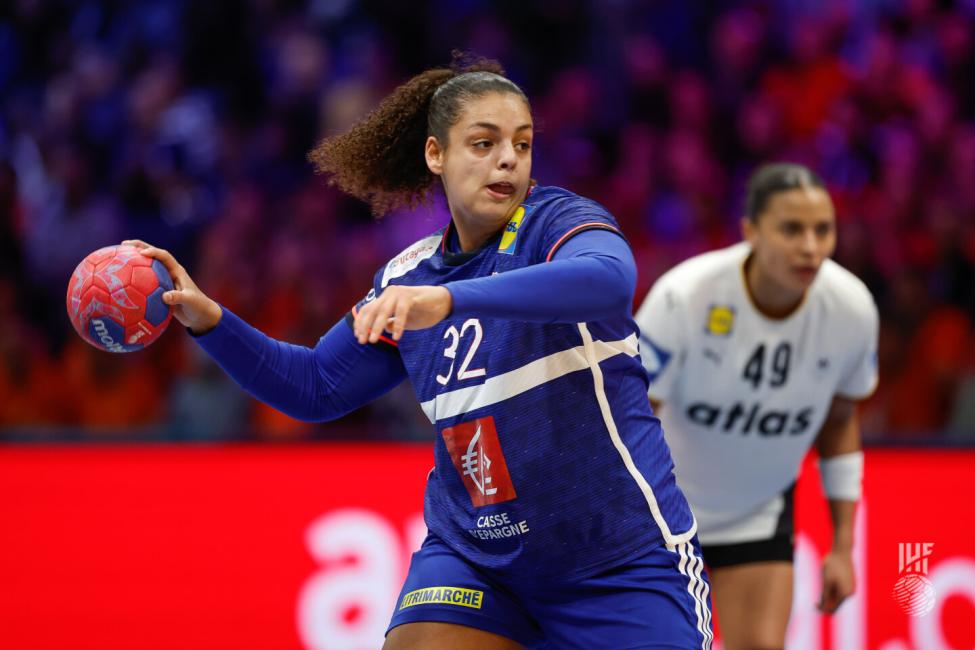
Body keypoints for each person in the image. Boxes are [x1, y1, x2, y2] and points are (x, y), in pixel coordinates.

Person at [127, 56, 713, 649]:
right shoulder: (408, 278)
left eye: (522, 144)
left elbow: (609, 281)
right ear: (436, 155)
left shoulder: (558, 222)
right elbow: (315, 387)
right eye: (483, 143)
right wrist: (211, 321)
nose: (507, 159)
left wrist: (451, 300)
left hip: (616, 557)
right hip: (480, 561)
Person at [634, 162, 878, 650]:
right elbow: (628, 416)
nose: (810, 247)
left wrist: (843, 546)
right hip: (660, 514)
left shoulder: (852, 310)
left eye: (823, 230)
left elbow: (839, 423)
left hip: (757, 513)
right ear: (751, 232)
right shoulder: (686, 296)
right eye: (792, 229)